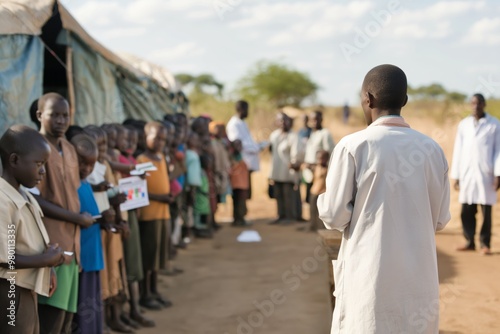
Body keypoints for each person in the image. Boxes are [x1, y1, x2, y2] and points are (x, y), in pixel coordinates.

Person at [318, 64, 450, 333]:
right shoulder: (431, 150)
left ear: (368, 98)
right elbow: (439, 220)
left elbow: (333, 216)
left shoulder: (352, 146)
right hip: (417, 286)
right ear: (404, 101)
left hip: (368, 282)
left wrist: (325, 197)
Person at [34, 93, 94, 334]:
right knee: (50, 315)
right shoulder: (35, 148)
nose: (61, 121)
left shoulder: (68, 149)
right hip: (50, 244)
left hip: (72, 244)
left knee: (66, 317)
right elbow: (34, 198)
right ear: (40, 115)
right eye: (54, 115)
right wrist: (75, 218)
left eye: (65, 116)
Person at [0, 125, 65, 334]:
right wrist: (47, 260)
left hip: (26, 287)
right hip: (11, 289)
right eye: (38, 164)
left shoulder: (24, 195)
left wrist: (49, 267)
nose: (43, 171)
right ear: (14, 160)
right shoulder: (3, 202)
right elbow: (5, 258)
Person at [71, 134, 113, 334]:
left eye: (91, 165)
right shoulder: (71, 186)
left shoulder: (86, 183)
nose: (86, 169)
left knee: (93, 305)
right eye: (82, 164)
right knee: (83, 310)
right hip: (83, 258)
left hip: (93, 254)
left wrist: (104, 219)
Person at [451, 93, 500, 255]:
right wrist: (456, 175)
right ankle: (469, 241)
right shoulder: (464, 125)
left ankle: (485, 243)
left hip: (486, 174)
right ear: (470, 105)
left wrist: (498, 175)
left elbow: (498, 152)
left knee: (486, 211)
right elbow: (458, 150)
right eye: (473, 103)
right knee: (467, 209)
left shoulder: (494, 124)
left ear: (484, 104)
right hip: (467, 173)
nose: (476, 106)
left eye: (479, 103)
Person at [136, 122, 173, 309]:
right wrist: (160, 197)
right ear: (146, 138)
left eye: (163, 139)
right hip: (149, 215)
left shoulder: (161, 157)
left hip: (163, 214)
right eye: (156, 138)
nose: (160, 142)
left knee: (158, 257)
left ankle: (154, 290)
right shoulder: (141, 160)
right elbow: (138, 190)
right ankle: (145, 294)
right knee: (148, 257)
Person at [226, 100, 263, 199]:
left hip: (247, 163)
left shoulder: (243, 123)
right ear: (241, 109)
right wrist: (255, 148)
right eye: (247, 109)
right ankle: (239, 214)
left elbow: (248, 141)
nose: (248, 112)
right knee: (240, 190)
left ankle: (242, 212)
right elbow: (237, 143)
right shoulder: (234, 124)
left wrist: (258, 146)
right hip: (240, 161)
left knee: (245, 191)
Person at [269, 113, 301, 224]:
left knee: (288, 195)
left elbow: (295, 154)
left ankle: (290, 217)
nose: (283, 123)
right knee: (278, 195)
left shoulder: (293, 136)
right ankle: (280, 215)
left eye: (285, 120)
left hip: (288, 172)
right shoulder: (274, 136)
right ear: (277, 122)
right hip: (276, 170)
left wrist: (294, 165)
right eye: (280, 120)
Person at [303, 110, 335, 204]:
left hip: (319, 172)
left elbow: (328, 152)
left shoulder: (325, 133)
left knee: (318, 197)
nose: (315, 122)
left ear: (321, 119)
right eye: (312, 120)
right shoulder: (313, 133)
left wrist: (319, 167)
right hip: (310, 170)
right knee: (310, 198)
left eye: (317, 119)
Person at [229, 140, 251, 227]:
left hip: (241, 182)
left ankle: (239, 218)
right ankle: (238, 219)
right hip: (237, 183)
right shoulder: (233, 157)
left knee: (240, 201)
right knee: (238, 202)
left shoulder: (240, 155)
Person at [308, 150, 329, 232]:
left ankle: (321, 228)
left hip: (323, 192)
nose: (321, 161)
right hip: (314, 191)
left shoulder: (329, 168)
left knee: (322, 212)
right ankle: (312, 226)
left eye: (323, 159)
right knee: (312, 211)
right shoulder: (315, 167)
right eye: (319, 159)